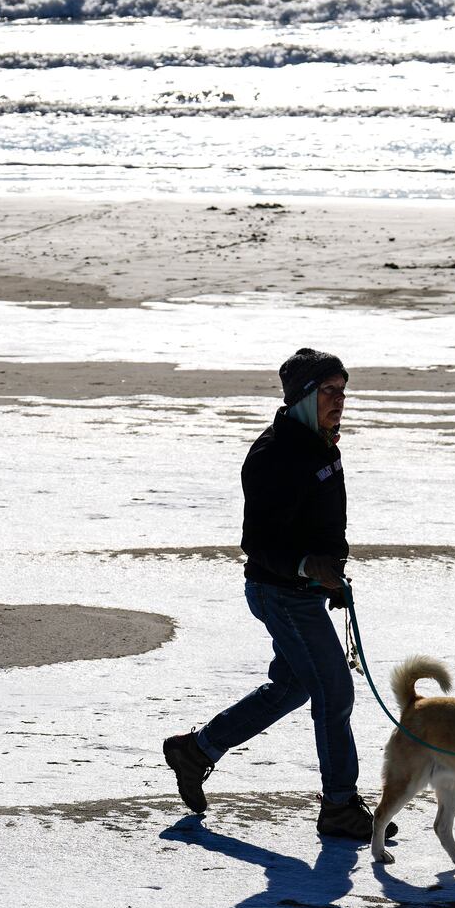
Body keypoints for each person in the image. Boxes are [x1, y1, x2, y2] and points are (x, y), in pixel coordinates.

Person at [163, 348, 394, 842]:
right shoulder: (275, 455)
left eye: (343, 390)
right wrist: (309, 566)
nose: (341, 400)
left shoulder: (320, 445)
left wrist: (329, 572)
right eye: (330, 391)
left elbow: (323, 523)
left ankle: (197, 750)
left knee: (293, 686)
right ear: (303, 396)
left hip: (303, 592)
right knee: (334, 691)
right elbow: (259, 544)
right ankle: (338, 806)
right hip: (280, 592)